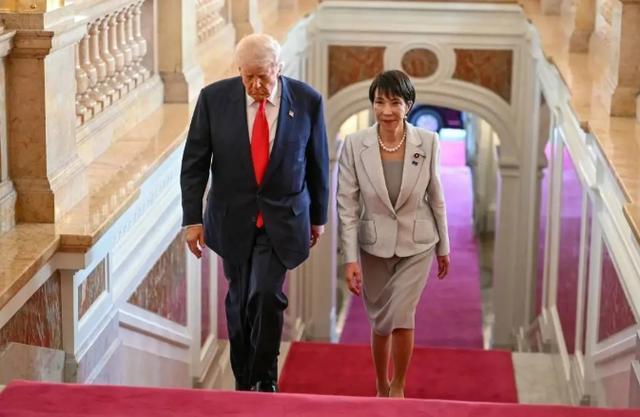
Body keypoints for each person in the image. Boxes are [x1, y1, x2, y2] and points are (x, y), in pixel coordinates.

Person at [180, 33, 329, 393]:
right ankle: (243, 378)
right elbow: (194, 165)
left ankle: (264, 377)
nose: (256, 85)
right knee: (239, 299)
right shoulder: (214, 100)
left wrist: (318, 217)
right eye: (248, 76)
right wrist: (192, 219)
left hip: (283, 218)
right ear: (239, 71)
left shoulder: (307, 101)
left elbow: (317, 163)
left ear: (279, 68)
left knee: (264, 294)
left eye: (263, 75)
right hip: (231, 218)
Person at [337, 70, 450, 398]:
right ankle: (380, 383)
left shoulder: (428, 141)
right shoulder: (354, 145)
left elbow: (436, 196)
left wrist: (444, 246)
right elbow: (346, 205)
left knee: (401, 314)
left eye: (395, 102)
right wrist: (349, 259)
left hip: (418, 243)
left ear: (408, 105)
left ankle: (398, 385)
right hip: (373, 245)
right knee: (381, 319)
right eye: (379, 102)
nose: (386, 110)